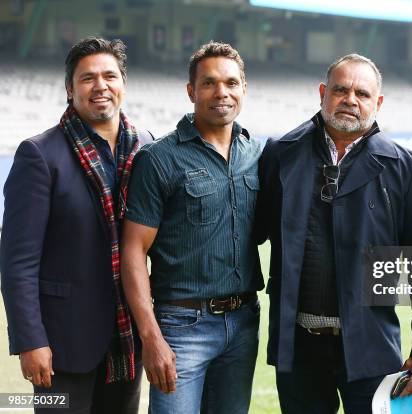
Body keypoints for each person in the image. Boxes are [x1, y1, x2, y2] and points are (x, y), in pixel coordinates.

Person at [256, 53, 412, 414]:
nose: (350, 100)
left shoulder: (404, 166)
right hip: (300, 348)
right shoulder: (282, 154)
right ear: (323, 93)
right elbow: (257, 228)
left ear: (378, 103)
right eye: (340, 90)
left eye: (362, 94)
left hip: (372, 349)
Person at [0, 37, 152, 413]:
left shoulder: (147, 147)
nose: (100, 85)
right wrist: (30, 341)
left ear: (123, 84)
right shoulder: (39, 155)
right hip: (62, 344)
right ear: (70, 89)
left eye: (109, 76)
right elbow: (17, 262)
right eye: (87, 78)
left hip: (126, 340)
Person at [120, 41, 262, 414]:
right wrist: (151, 337)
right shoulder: (159, 159)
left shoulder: (257, 153)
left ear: (244, 88)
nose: (222, 93)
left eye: (231, 83)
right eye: (210, 83)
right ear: (191, 91)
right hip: (182, 326)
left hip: (244, 322)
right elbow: (133, 250)